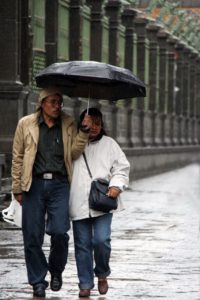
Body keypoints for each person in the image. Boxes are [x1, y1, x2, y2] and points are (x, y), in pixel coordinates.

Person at [11, 87, 92, 298]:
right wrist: (17, 187)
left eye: (60, 102)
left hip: (59, 184)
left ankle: (56, 271)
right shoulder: (25, 124)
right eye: (53, 102)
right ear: (42, 103)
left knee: (59, 232)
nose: (57, 106)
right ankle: (38, 281)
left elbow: (73, 153)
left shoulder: (68, 123)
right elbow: (18, 156)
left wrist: (83, 132)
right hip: (33, 185)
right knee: (32, 236)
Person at [69, 107, 130, 298]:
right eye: (90, 122)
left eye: (97, 123)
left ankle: (102, 273)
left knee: (101, 240)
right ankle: (85, 284)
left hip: (103, 201)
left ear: (102, 124)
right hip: (78, 200)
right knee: (82, 244)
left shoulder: (110, 144)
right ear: (82, 123)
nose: (94, 127)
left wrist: (116, 185)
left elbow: (122, 168)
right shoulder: (74, 143)